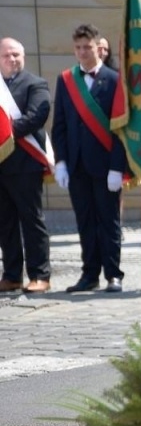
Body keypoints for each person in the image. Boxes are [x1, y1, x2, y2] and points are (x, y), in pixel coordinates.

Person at [52, 23, 128, 293]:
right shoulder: (66, 80)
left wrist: (117, 167)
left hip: (106, 165)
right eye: (78, 48)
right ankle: (89, 274)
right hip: (77, 165)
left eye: (88, 47)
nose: (83, 52)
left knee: (109, 221)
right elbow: (60, 125)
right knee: (85, 221)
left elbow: (121, 128)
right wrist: (61, 161)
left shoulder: (115, 79)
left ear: (99, 48)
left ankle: (113, 274)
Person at [0, 37, 52, 293]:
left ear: (24, 57)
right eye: (6, 55)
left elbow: (36, 117)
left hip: (25, 164)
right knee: (5, 222)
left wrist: (4, 135)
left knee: (32, 221)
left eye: (16, 55)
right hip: (1, 164)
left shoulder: (35, 83)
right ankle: (11, 275)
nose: (12, 59)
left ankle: (40, 274)